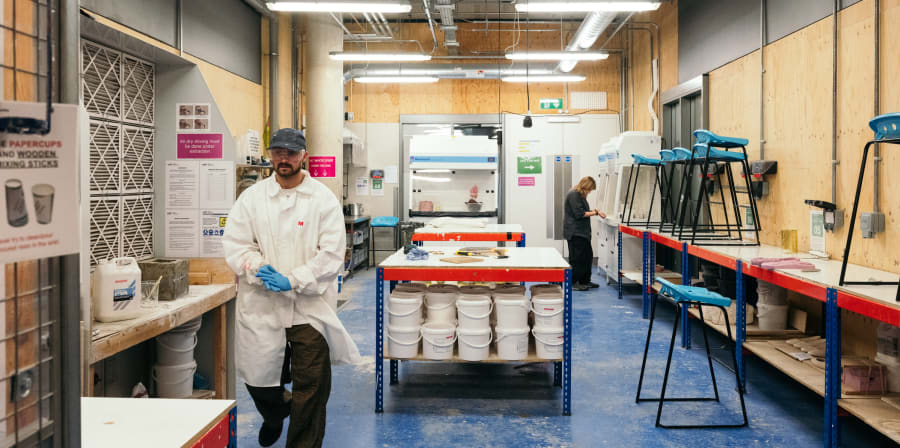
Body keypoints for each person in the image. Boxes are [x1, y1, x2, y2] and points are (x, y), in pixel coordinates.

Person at [223, 128, 361, 448]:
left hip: (308, 305)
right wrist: (257, 268)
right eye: (277, 152)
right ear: (270, 155)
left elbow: (331, 253)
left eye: (290, 152)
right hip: (262, 302)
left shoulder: (322, 199)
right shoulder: (252, 198)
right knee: (258, 380)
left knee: (311, 387)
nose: (283, 158)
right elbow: (237, 244)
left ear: (303, 156)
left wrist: (295, 279)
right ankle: (275, 413)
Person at [563, 176, 606, 291]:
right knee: (577, 258)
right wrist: (595, 213)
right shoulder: (574, 195)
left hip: (582, 232)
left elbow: (584, 211)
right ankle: (574, 282)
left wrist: (594, 211)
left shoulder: (581, 196)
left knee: (587, 257)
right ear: (585, 186)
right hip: (575, 232)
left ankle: (585, 280)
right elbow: (579, 214)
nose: (589, 192)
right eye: (589, 189)